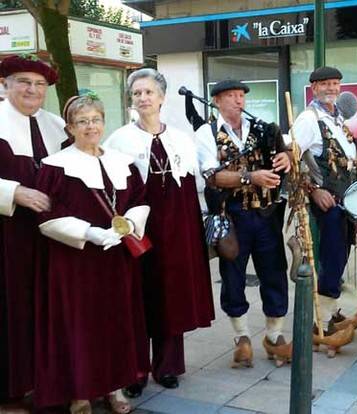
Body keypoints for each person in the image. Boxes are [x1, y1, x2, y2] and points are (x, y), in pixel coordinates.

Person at [33, 94, 150, 414]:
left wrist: (127, 226)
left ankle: (114, 388)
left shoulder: (121, 161)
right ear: (70, 127)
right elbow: (46, 214)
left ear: (103, 122)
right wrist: (91, 233)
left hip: (116, 258)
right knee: (79, 325)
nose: (90, 126)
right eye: (82, 121)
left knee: (115, 322)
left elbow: (140, 199)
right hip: (76, 261)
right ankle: (80, 392)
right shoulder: (54, 166)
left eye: (95, 119)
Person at [105, 68, 215, 396]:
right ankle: (135, 370)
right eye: (137, 93)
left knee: (171, 295)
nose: (142, 98)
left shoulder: (182, 137)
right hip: (139, 227)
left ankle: (167, 366)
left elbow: (195, 184)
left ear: (162, 97)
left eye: (149, 92)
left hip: (178, 228)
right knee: (137, 297)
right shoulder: (119, 138)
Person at [195, 79, 292, 368]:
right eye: (230, 96)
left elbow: (283, 154)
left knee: (274, 272)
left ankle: (274, 337)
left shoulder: (262, 128)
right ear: (216, 101)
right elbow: (211, 176)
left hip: (266, 214)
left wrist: (286, 157)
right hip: (231, 215)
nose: (238, 101)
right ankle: (242, 338)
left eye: (241, 96)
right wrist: (251, 177)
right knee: (233, 275)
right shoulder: (206, 132)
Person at [290, 66, 357, 355]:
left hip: (343, 204)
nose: (332, 89)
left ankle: (330, 313)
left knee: (338, 259)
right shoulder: (309, 119)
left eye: (336, 84)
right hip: (324, 207)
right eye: (326, 84)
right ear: (314, 88)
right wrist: (313, 190)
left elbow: (346, 162)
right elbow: (289, 160)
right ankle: (322, 323)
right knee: (331, 262)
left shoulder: (337, 118)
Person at [0, 54, 65, 413]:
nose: (32, 89)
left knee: (46, 308)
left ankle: (44, 383)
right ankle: (8, 392)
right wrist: (14, 193)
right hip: (6, 235)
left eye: (39, 84)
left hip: (49, 236)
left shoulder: (55, 124)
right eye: (23, 81)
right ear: (5, 84)